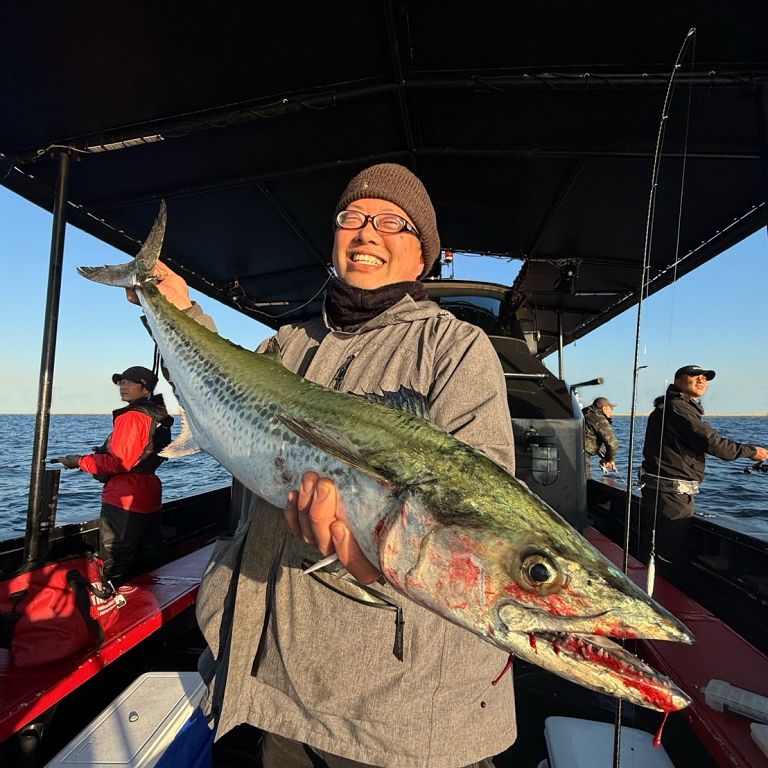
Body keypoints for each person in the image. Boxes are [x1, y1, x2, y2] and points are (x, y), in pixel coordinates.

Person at [141, 164, 517, 768]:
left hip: (389, 707)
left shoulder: (453, 348)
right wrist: (177, 312)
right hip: (267, 675)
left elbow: (475, 515)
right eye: (353, 218)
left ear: (424, 257)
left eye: (393, 222)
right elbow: (225, 382)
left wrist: (378, 563)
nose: (367, 232)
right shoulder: (290, 341)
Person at [639, 364, 768, 576]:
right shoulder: (678, 408)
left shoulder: (672, 407)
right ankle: (660, 594)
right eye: (695, 376)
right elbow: (712, 442)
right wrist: (752, 451)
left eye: (705, 378)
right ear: (678, 381)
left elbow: (685, 442)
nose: (702, 380)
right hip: (671, 496)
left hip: (665, 493)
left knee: (658, 546)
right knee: (667, 553)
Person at [57, 366, 174, 589]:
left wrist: (79, 461)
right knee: (150, 550)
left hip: (125, 496)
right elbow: (142, 453)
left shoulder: (132, 417)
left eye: (129, 382)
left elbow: (118, 463)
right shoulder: (157, 416)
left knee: (115, 559)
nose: (123, 386)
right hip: (148, 493)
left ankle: (113, 604)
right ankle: (155, 594)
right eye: (121, 382)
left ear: (145, 387)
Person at [582, 396, 619, 475]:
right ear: (604, 408)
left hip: (573, 452)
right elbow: (613, 444)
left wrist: (608, 458)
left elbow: (591, 439)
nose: (611, 413)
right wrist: (609, 460)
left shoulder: (584, 413)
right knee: (585, 482)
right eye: (611, 409)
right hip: (582, 456)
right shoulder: (598, 417)